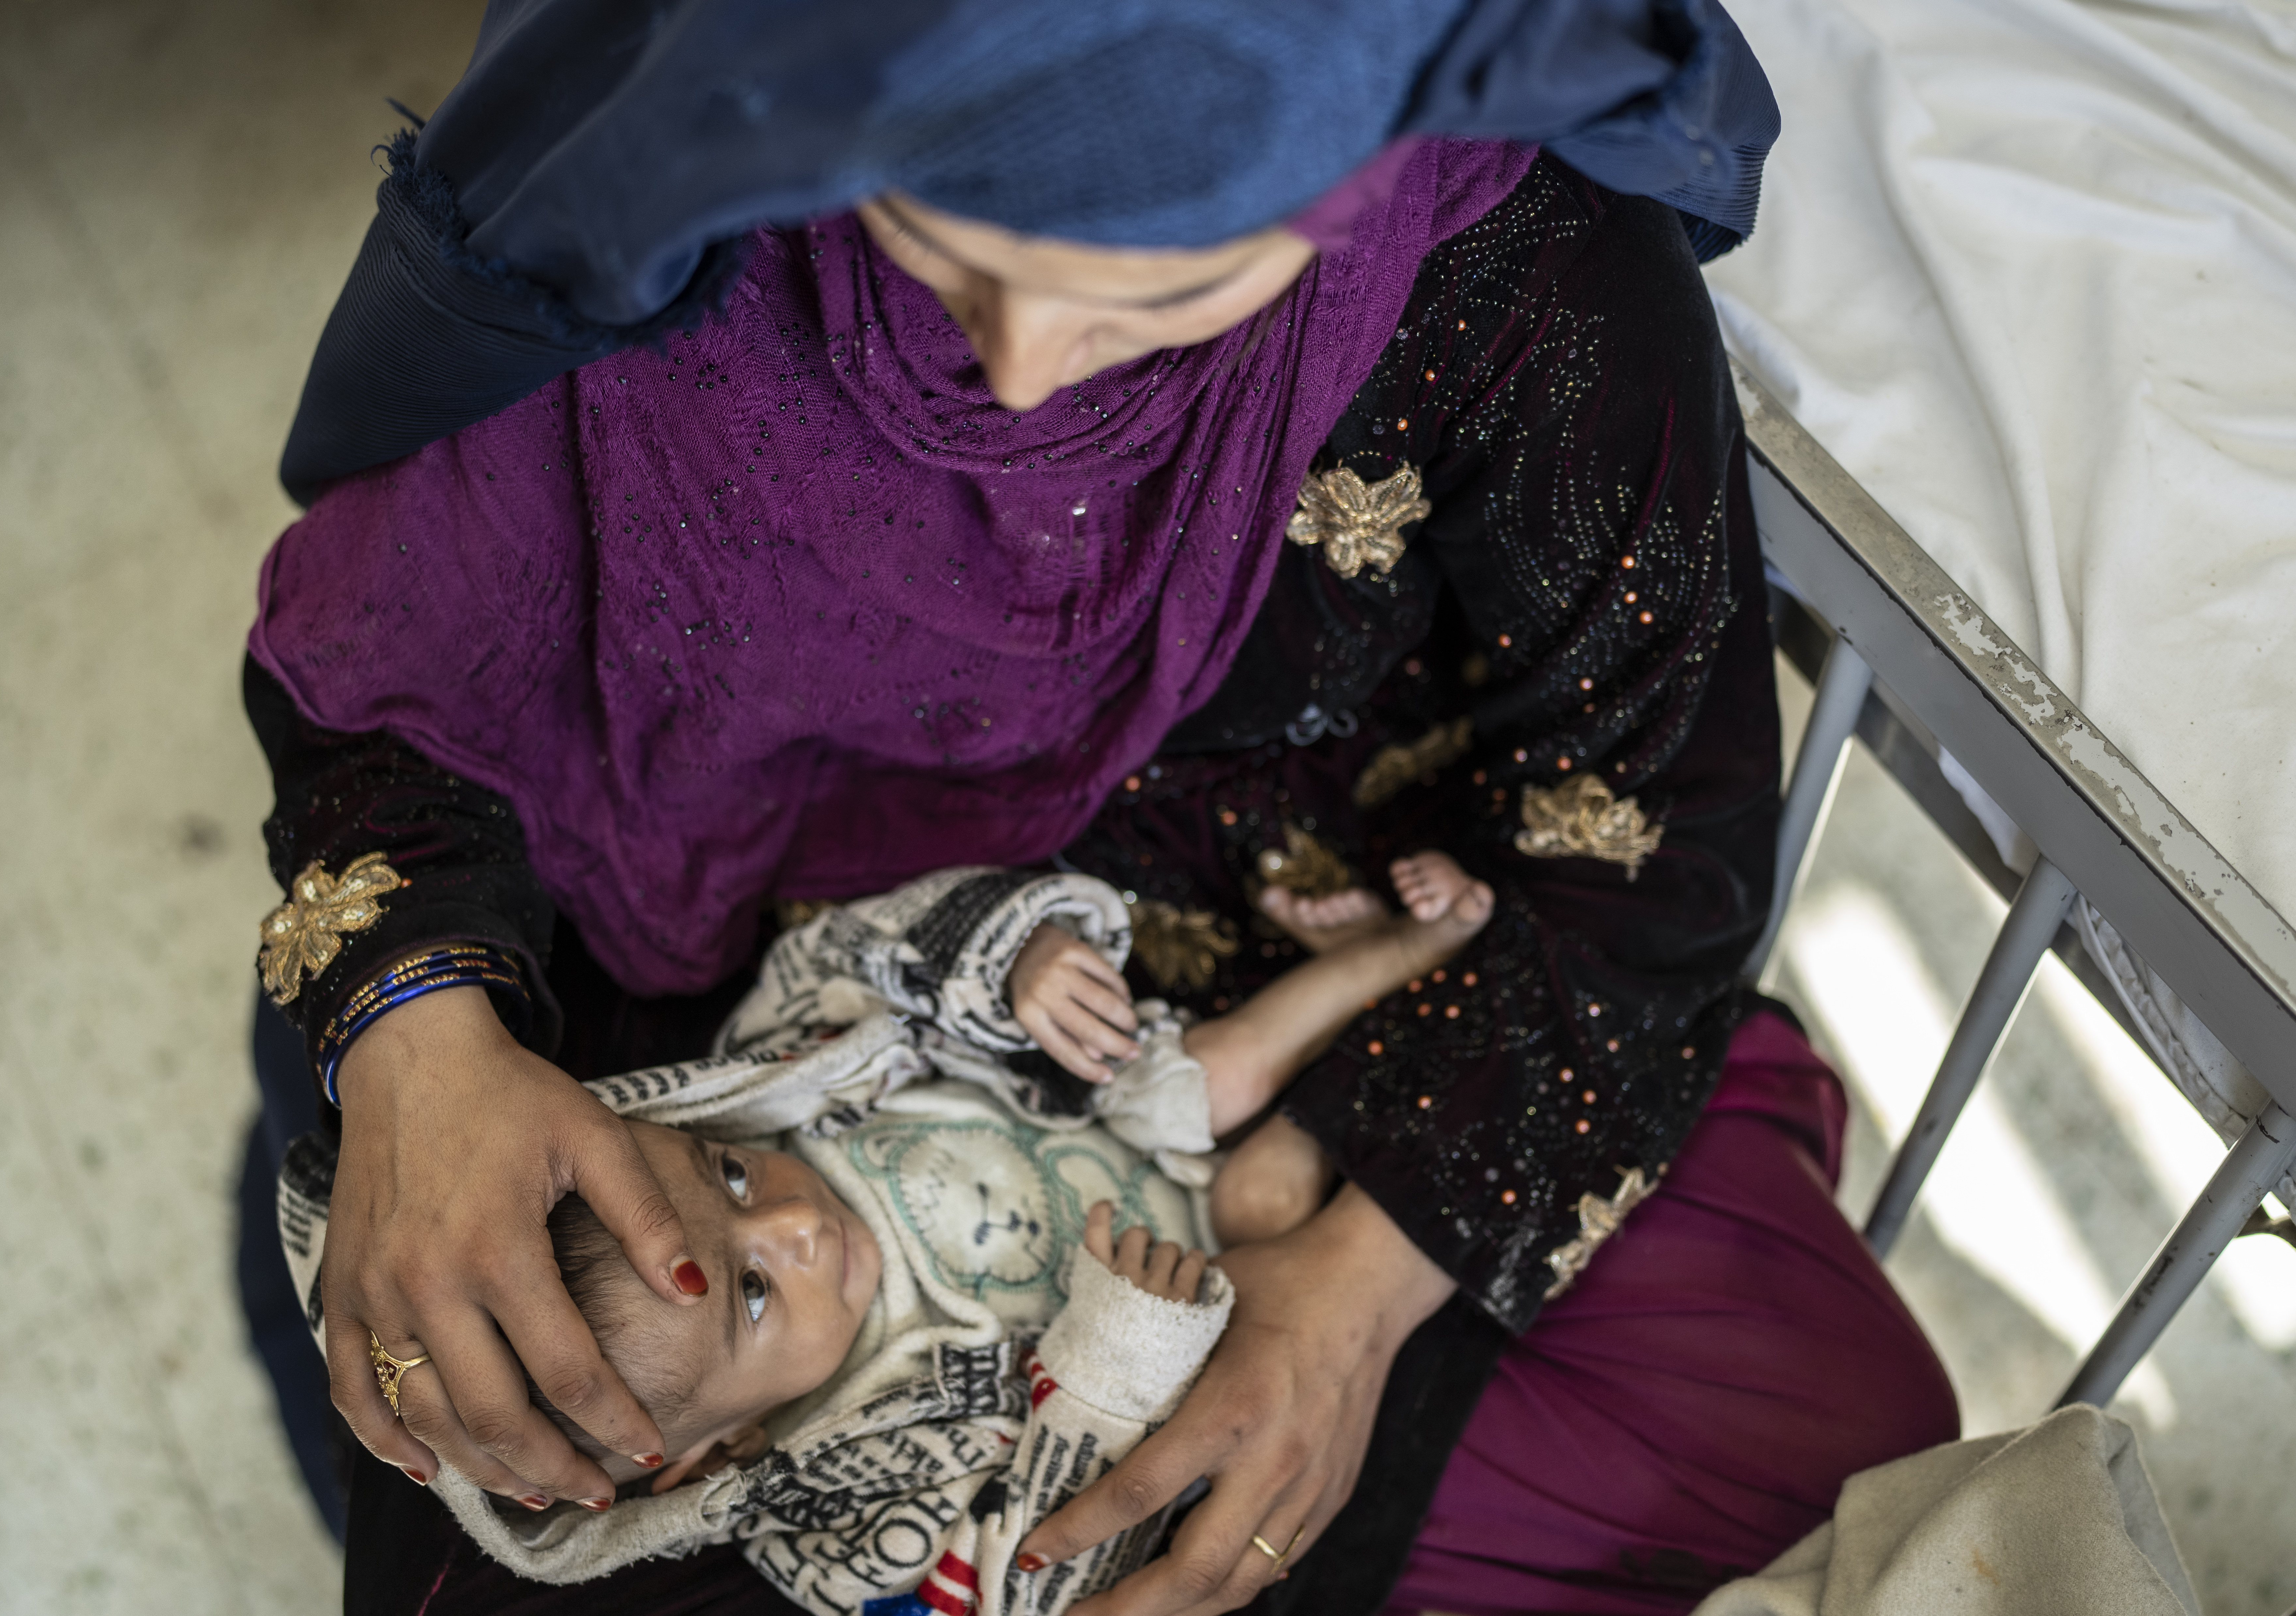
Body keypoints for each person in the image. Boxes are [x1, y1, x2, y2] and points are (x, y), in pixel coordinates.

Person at [240, 4, 1960, 1612]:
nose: (1021, 376)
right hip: (743, 996)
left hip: (1307, 972)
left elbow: (1652, 828)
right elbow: (401, 661)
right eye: (938, 241)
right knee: (515, 1405)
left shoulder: (1517, 262)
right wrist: (420, 1027)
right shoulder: (706, 132)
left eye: (1169, 285)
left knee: (1836, 1426)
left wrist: (1353, 1294)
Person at [274, 856, 1495, 1609]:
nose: (797, 1228)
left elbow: (852, 955)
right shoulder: (844, 1511)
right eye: (750, 1298)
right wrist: (1114, 1367)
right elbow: (1021, 1570)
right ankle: (1437, 1059)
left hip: (1121, 1101)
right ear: (704, 1458)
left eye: (730, 1175)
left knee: (1215, 1073)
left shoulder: (804, 1079)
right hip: (1188, 1279)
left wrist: (1011, 964)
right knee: (1273, 1191)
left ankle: (1392, 959)